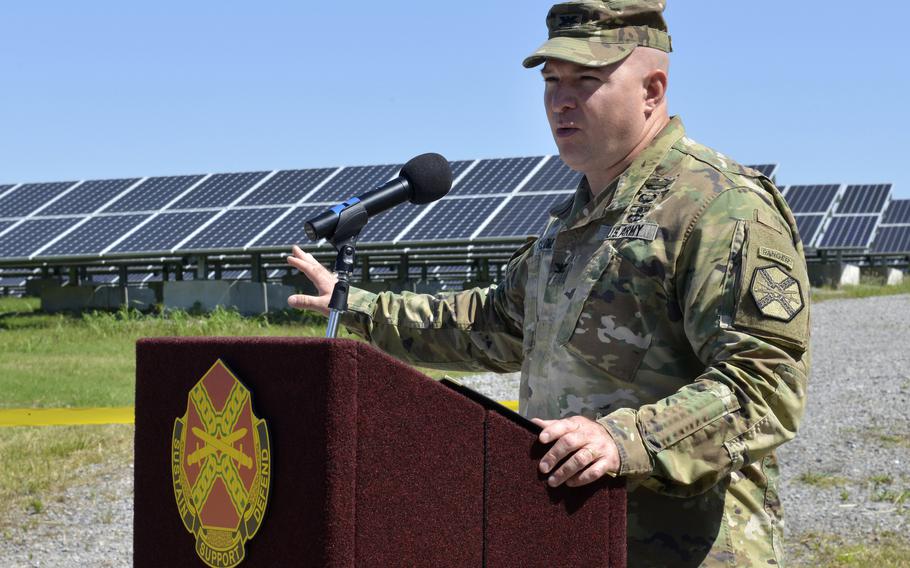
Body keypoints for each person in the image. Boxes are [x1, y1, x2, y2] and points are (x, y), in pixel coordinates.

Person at [287, 1, 810, 565]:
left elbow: (766, 384)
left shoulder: (719, 208)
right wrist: (356, 306)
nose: (562, 100)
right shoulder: (572, 223)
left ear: (652, 91)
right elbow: (493, 325)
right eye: (552, 81)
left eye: (587, 80)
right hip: (578, 541)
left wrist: (622, 440)